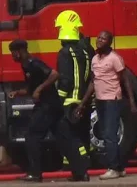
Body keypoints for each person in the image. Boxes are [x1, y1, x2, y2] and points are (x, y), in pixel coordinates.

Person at [76, 31, 137, 180]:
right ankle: (120, 167)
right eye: (98, 38)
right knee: (106, 134)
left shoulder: (115, 59)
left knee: (110, 135)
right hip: (100, 100)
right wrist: (83, 103)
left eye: (103, 39)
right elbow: (93, 82)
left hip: (112, 100)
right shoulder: (95, 59)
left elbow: (125, 81)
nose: (99, 40)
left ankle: (113, 168)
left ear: (109, 42)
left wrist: (132, 102)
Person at [8, 39, 61, 183]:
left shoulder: (34, 64)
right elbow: (30, 88)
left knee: (32, 136)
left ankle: (35, 173)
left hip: (48, 105)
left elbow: (54, 74)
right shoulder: (26, 66)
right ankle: (79, 170)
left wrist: (39, 89)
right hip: (47, 105)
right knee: (63, 137)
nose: (12, 56)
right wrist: (18, 93)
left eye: (13, 53)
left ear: (20, 51)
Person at [56, 19, 92, 182]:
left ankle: (81, 168)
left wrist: (59, 99)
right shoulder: (85, 51)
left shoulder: (64, 53)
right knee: (81, 134)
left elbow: (65, 80)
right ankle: (79, 168)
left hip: (69, 102)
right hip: (83, 101)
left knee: (68, 135)